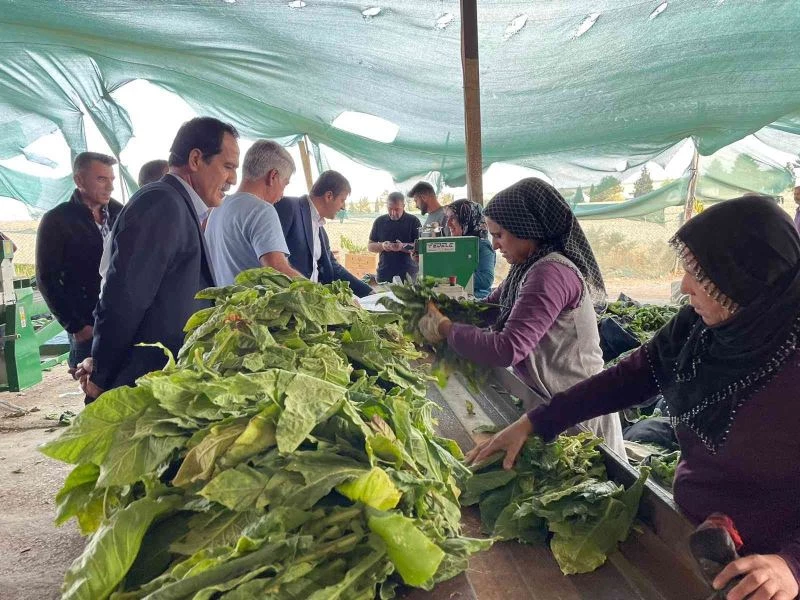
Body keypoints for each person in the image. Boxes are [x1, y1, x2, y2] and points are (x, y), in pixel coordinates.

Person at [467, 195, 800, 600]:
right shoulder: (698, 329)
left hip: (768, 574)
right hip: (698, 533)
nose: (685, 286)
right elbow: (629, 378)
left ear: (746, 281)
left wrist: (790, 564)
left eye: (702, 275)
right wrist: (536, 422)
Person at [418, 178, 625, 456]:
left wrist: (445, 327)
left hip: (577, 414)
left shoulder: (550, 273)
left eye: (500, 235)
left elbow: (507, 349)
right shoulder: (526, 268)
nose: (494, 244)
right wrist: (441, 309)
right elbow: (489, 309)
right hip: (550, 405)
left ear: (526, 228)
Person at [81, 117, 239, 400]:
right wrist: (101, 374)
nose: (233, 179)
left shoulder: (179, 205)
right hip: (140, 384)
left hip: (162, 381)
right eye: (228, 167)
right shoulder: (161, 203)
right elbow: (124, 298)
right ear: (195, 159)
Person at [35, 152, 122, 375]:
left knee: (122, 381)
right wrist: (75, 326)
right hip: (86, 322)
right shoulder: (58, 219)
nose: (110, 187)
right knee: (91, 384)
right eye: (101, 179)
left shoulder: (120, 212)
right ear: (79, 180)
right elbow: (47, 278)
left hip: (120, 315)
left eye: (112, 179)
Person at [205, 139, 303, 285]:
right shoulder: (262, 210)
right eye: (284, 183)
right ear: (273, 176)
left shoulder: (217, 208)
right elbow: (277, 270)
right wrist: (326, 296)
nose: (282, 194)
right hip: (251, 307)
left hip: (223, 305)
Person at [275, 170, 372, 297]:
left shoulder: (320, 229)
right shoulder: (289, 207)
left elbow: (333, 267)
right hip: (288, 301)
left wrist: (368, 292)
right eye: (342, 200)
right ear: (329, 196)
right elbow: (274, 261)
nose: (343, 207)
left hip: (310, 302)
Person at [444, 198, 496, 298]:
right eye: (448, 218)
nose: (448, 223)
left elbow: (486, 279)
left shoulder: (482, 244)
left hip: (477, 303)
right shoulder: (458, 244)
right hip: (459, 298)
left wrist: (451, 276)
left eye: (453, 218)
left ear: (467, 219)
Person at [367, 191, 421, 282]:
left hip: (409, 276)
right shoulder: (379, 221)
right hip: (384, 274)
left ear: (403, 206)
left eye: (397, 209)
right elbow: (370, 246)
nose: (393, 213)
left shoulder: (413, 221)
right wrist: (383, 246)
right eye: (390, 209)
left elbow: (420, 247)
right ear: (386, 206)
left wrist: (402, 247)